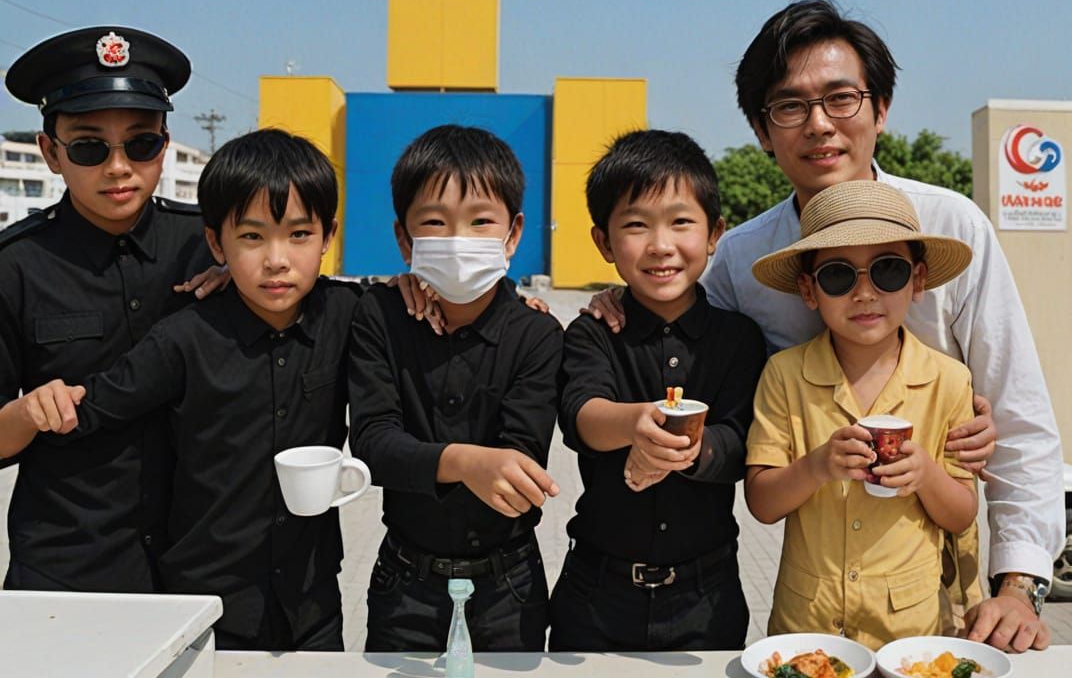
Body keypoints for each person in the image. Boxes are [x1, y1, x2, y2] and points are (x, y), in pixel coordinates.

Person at [590, 0, 1063, 652]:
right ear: (762, 129)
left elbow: (1022, 420)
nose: (819, 125)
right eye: (790, 106)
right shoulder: (742, 259)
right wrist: (615, 301)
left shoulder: (951, 227)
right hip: (813, 604)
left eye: (841, 99)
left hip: (926, 600)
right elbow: (686, 331)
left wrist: (1018, 587)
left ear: (880, 110)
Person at [2, 129, 359, 651]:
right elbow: (100, 401)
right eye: (253, 238)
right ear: (217, 243)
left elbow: (416, 335)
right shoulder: (182, 336)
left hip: (312, 597)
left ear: (328, 236)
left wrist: (518, 312)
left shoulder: (350, 315)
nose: (276, 259)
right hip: (207, 604)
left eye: (299, 235)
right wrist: (40, 409)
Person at [0, 26, 222, 593]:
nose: (119, 167)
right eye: (90, 147)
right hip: (68, 567)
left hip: (201, 558)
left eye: (141, 144)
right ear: (51, 151)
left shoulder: (210, 245)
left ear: (165, 146)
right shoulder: (15, 268)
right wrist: (27, 414)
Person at [548, 130, 767, 652]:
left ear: (715, 233)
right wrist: (636, 424)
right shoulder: (592, 332)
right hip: (596, 591)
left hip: (706, 592)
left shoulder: (738, 338)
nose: (661, 245)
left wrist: (690, 449)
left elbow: (741, 441)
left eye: (681, 222)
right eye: (636, 225)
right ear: (603, 241)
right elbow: (582, 413)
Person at [348, 124, 563, 653]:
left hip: (509, 585)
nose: (458, 240)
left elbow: (521, 457)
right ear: (404, 238)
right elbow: (373, 441)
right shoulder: (377, 316)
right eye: (435, 224)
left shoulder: (537, 334)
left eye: (480, 222)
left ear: (513, 233)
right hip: (404, 581)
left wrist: (476, 465)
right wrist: (467, 462)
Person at [745, 180, 978, 649]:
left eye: (887, 271)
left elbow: (962, 515)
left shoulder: (950, 381)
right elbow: (761, 504)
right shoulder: (784, 375)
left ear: (917, 281)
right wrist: (817, 466)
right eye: (838, 275)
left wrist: (925, 474)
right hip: (806, 629)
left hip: (910, 634)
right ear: (809, 290)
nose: (865, 293)